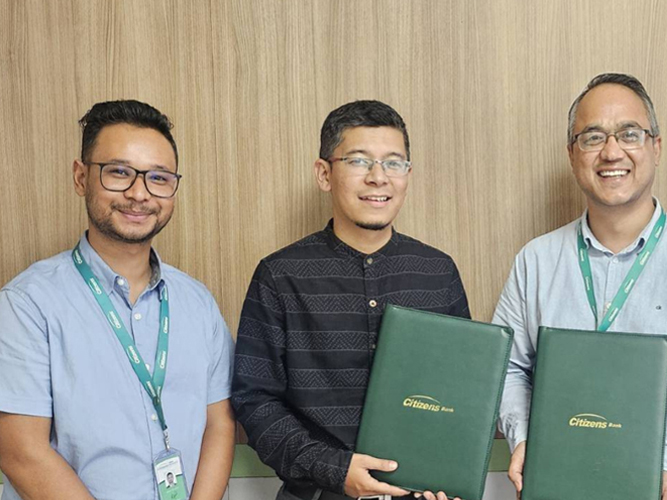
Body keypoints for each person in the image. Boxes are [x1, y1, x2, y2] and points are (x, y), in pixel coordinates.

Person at [494, 73, 667, 500]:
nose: (611, 152)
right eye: (593, 137)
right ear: (572, 154)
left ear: (656, 147)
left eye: (629, 134)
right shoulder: (536, 261)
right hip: (558, 483)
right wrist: (525, 436)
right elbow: (508, 368)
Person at [231, 100, 471, 500]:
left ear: (408, 175)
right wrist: (333, 468)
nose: (378, 178)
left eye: (393, 163)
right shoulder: (279, 275)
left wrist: (447, 475)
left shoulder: (438, 272)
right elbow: (254, 399)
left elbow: (461, 393)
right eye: (359, 161)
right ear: (324, 174)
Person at [0, 100, 235, 500]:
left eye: (158, 178)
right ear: (81, 177)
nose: (139, 194)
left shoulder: (197, 303)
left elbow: (220, 423)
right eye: (119, 172)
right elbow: (21, 452)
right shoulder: (27, 305)